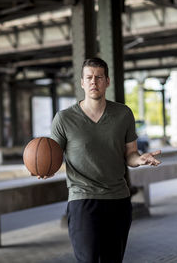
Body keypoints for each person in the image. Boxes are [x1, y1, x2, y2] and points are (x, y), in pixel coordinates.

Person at [41, 57, 161, 262]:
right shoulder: (64, 118)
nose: (93, 82)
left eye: (98, 77)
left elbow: (130, 155)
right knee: (87, 259)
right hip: (83, 198)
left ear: (107, 81)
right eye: (88, 77)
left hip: (118, 199)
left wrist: (140, 159)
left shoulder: (123, 114)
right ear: (81, 82)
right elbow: (54, 155)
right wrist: (46, 168)